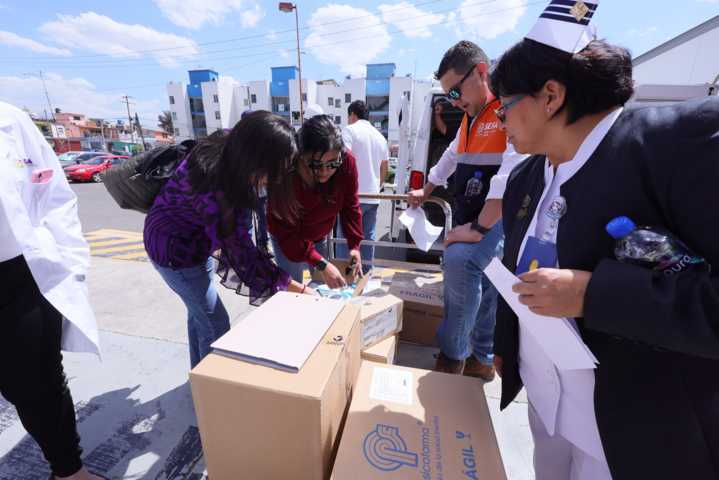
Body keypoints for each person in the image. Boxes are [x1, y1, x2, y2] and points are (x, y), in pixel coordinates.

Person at [490, 4, 719, 479]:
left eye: (505, 104)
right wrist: (507, 343)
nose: (500, 118)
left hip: (637, 428)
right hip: (547, 405)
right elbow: (516, 268)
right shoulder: (525, 177)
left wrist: (593, 295)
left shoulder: (679, 146)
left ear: (550, 96)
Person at [144, 111, 312, 369]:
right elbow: (241, 254)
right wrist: (298, 288)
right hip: (173, 252)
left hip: (195, 242)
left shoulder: (231, 149)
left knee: (199, 315)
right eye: (274, 169)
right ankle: (208, 387)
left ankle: (198, 376)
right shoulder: (216, 186)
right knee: (215, 324)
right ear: (257, 158)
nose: (275, 178)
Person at [408, 40, 526, 380]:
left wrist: (479, 228)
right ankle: (482, 357)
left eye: (456, 92)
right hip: (472, 213)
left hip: (495, 218)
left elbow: (510, 173)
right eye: (449, 96)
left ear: (481, 72)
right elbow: (451, 155)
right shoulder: (469, 118)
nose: (454, 101)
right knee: (486, 281)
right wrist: (427, 188)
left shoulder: (506, 109)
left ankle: (453, 355)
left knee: (461, 261)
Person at [0, 101, 105, 479]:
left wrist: (71, 268)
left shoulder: (11, 121)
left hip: (19, 274)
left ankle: (68, 470)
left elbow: (54, 198)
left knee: (40, 383)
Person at [268, 115, 363, 288]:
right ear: (301, 155)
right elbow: (286, 233)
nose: (325, 172)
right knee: (294, 290)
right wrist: (321, 263)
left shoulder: (347, 163)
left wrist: (354, 246)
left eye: (332, 164)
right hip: (289, 239)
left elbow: (350, 205)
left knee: (323, 286)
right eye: (315, 165)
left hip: (319, 235)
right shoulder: (286, 175)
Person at [337, 100, 389, 272]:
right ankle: (366, 276)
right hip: (373, 197)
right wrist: (377, 186)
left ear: (352, 114)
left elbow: (345, 158)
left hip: (353, 197)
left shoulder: (349, 130)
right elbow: (385, 167)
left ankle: (346, 276)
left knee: (346, 240)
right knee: (367, 239)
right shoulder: (380, 137)